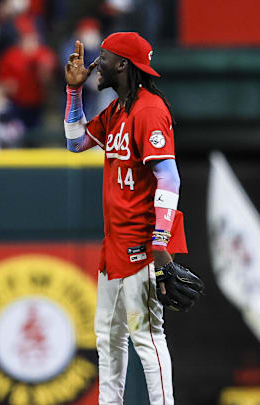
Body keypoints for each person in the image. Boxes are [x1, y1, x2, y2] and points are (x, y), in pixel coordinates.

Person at [63, 32, 182, 404]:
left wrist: (160, 243)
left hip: (142, 247)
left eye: (104, 57)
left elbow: (169, 176)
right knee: (108, 338)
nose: (96, 63)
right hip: (114, 246)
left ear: (123, 65)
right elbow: (75, 142)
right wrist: (73, 92)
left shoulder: (148, 110)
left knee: (147, 338)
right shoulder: (118, 110)